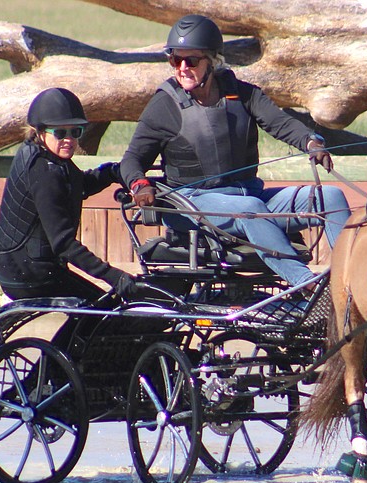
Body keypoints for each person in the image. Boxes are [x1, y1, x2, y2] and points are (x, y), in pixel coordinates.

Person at [120, 14, 351, 289]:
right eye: (175, 59)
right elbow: (132, 159)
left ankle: (350, 284)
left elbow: (281, 123)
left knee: (332, 197)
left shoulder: (242, 94)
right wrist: (139, 184)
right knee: (250, 209)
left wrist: (311, 142)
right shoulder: (164, 106)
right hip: (192, 204)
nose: (182, 67)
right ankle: (308, 286)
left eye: (191, 60)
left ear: (212, 61)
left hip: (249, 195)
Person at [0, 87, 137, 303]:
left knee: (101, 311)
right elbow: (63, 243)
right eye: (60, 133)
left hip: (26, 268)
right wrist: (115, 277)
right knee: (108, 312)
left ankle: (68, 340)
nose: (69, 139)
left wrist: (111, 172)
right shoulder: (44, 171)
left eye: (75, 131)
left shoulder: (44, 156)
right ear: (39, 132)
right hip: (29, 275)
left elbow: (76, 186)